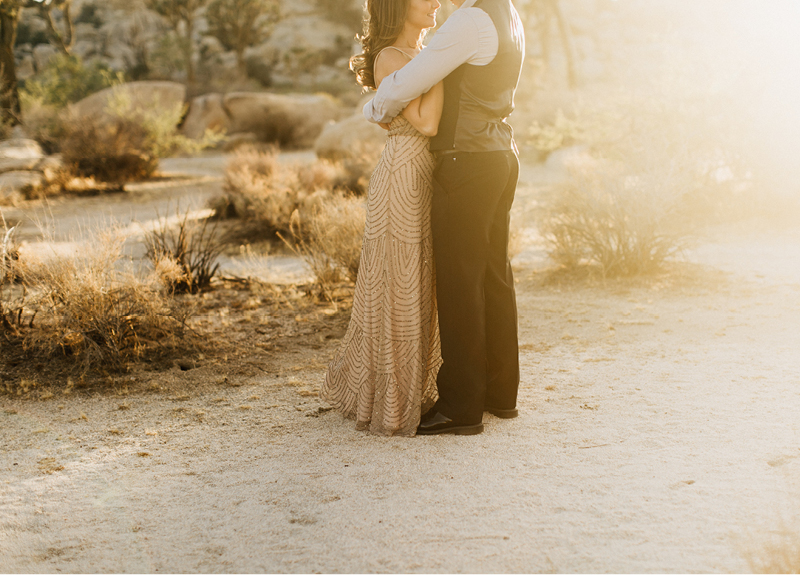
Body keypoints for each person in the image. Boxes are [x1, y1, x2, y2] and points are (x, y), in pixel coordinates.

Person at [363, 0, 525, 435]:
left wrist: (371, 109)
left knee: (459, 281)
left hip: (467, 160)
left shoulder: (468, 21)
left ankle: (461, 406)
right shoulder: (507, 14)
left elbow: (405, 85)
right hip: (500, 156)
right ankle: (499, 393)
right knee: (494, 275)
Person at [320, 0, 445, 436]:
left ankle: (423, 389)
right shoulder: (391, 57)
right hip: (404, 177)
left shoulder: (423, 54)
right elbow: (427, 123)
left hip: (427, 176)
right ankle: (394, 401)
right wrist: (442, 64)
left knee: (423, 280)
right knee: (400, 283)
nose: (435, 3)